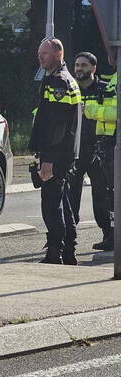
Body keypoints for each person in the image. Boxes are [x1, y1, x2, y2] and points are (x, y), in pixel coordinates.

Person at [30, 38, 82, 265]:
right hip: (65, 152)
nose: (40, 57)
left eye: (45, 53)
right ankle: (68, 251)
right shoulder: (61, 79)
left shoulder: (59, 82)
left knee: (51, 203)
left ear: (58, 54)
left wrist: (48, 159)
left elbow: (58, 125)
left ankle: (55, 252)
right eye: (39, 53)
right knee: (63, 201)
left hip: (57, 154)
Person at [69, 52, 112, 248]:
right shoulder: (70, 89)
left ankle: (109, 234)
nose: (79, 69)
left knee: (102, 195)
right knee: (71, 193)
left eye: (83, 65)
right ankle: (69, 234)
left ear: (93, 68)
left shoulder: (104, 89)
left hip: (99, 149)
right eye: (77, 65)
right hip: (75, 149)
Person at [84, 65, 118, 250]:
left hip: (115, 144)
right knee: (111, 195)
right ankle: (113, 237)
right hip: (108, 144)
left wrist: (90, 110)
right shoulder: (113, 78)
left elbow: (116, 113)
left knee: (113, 194)